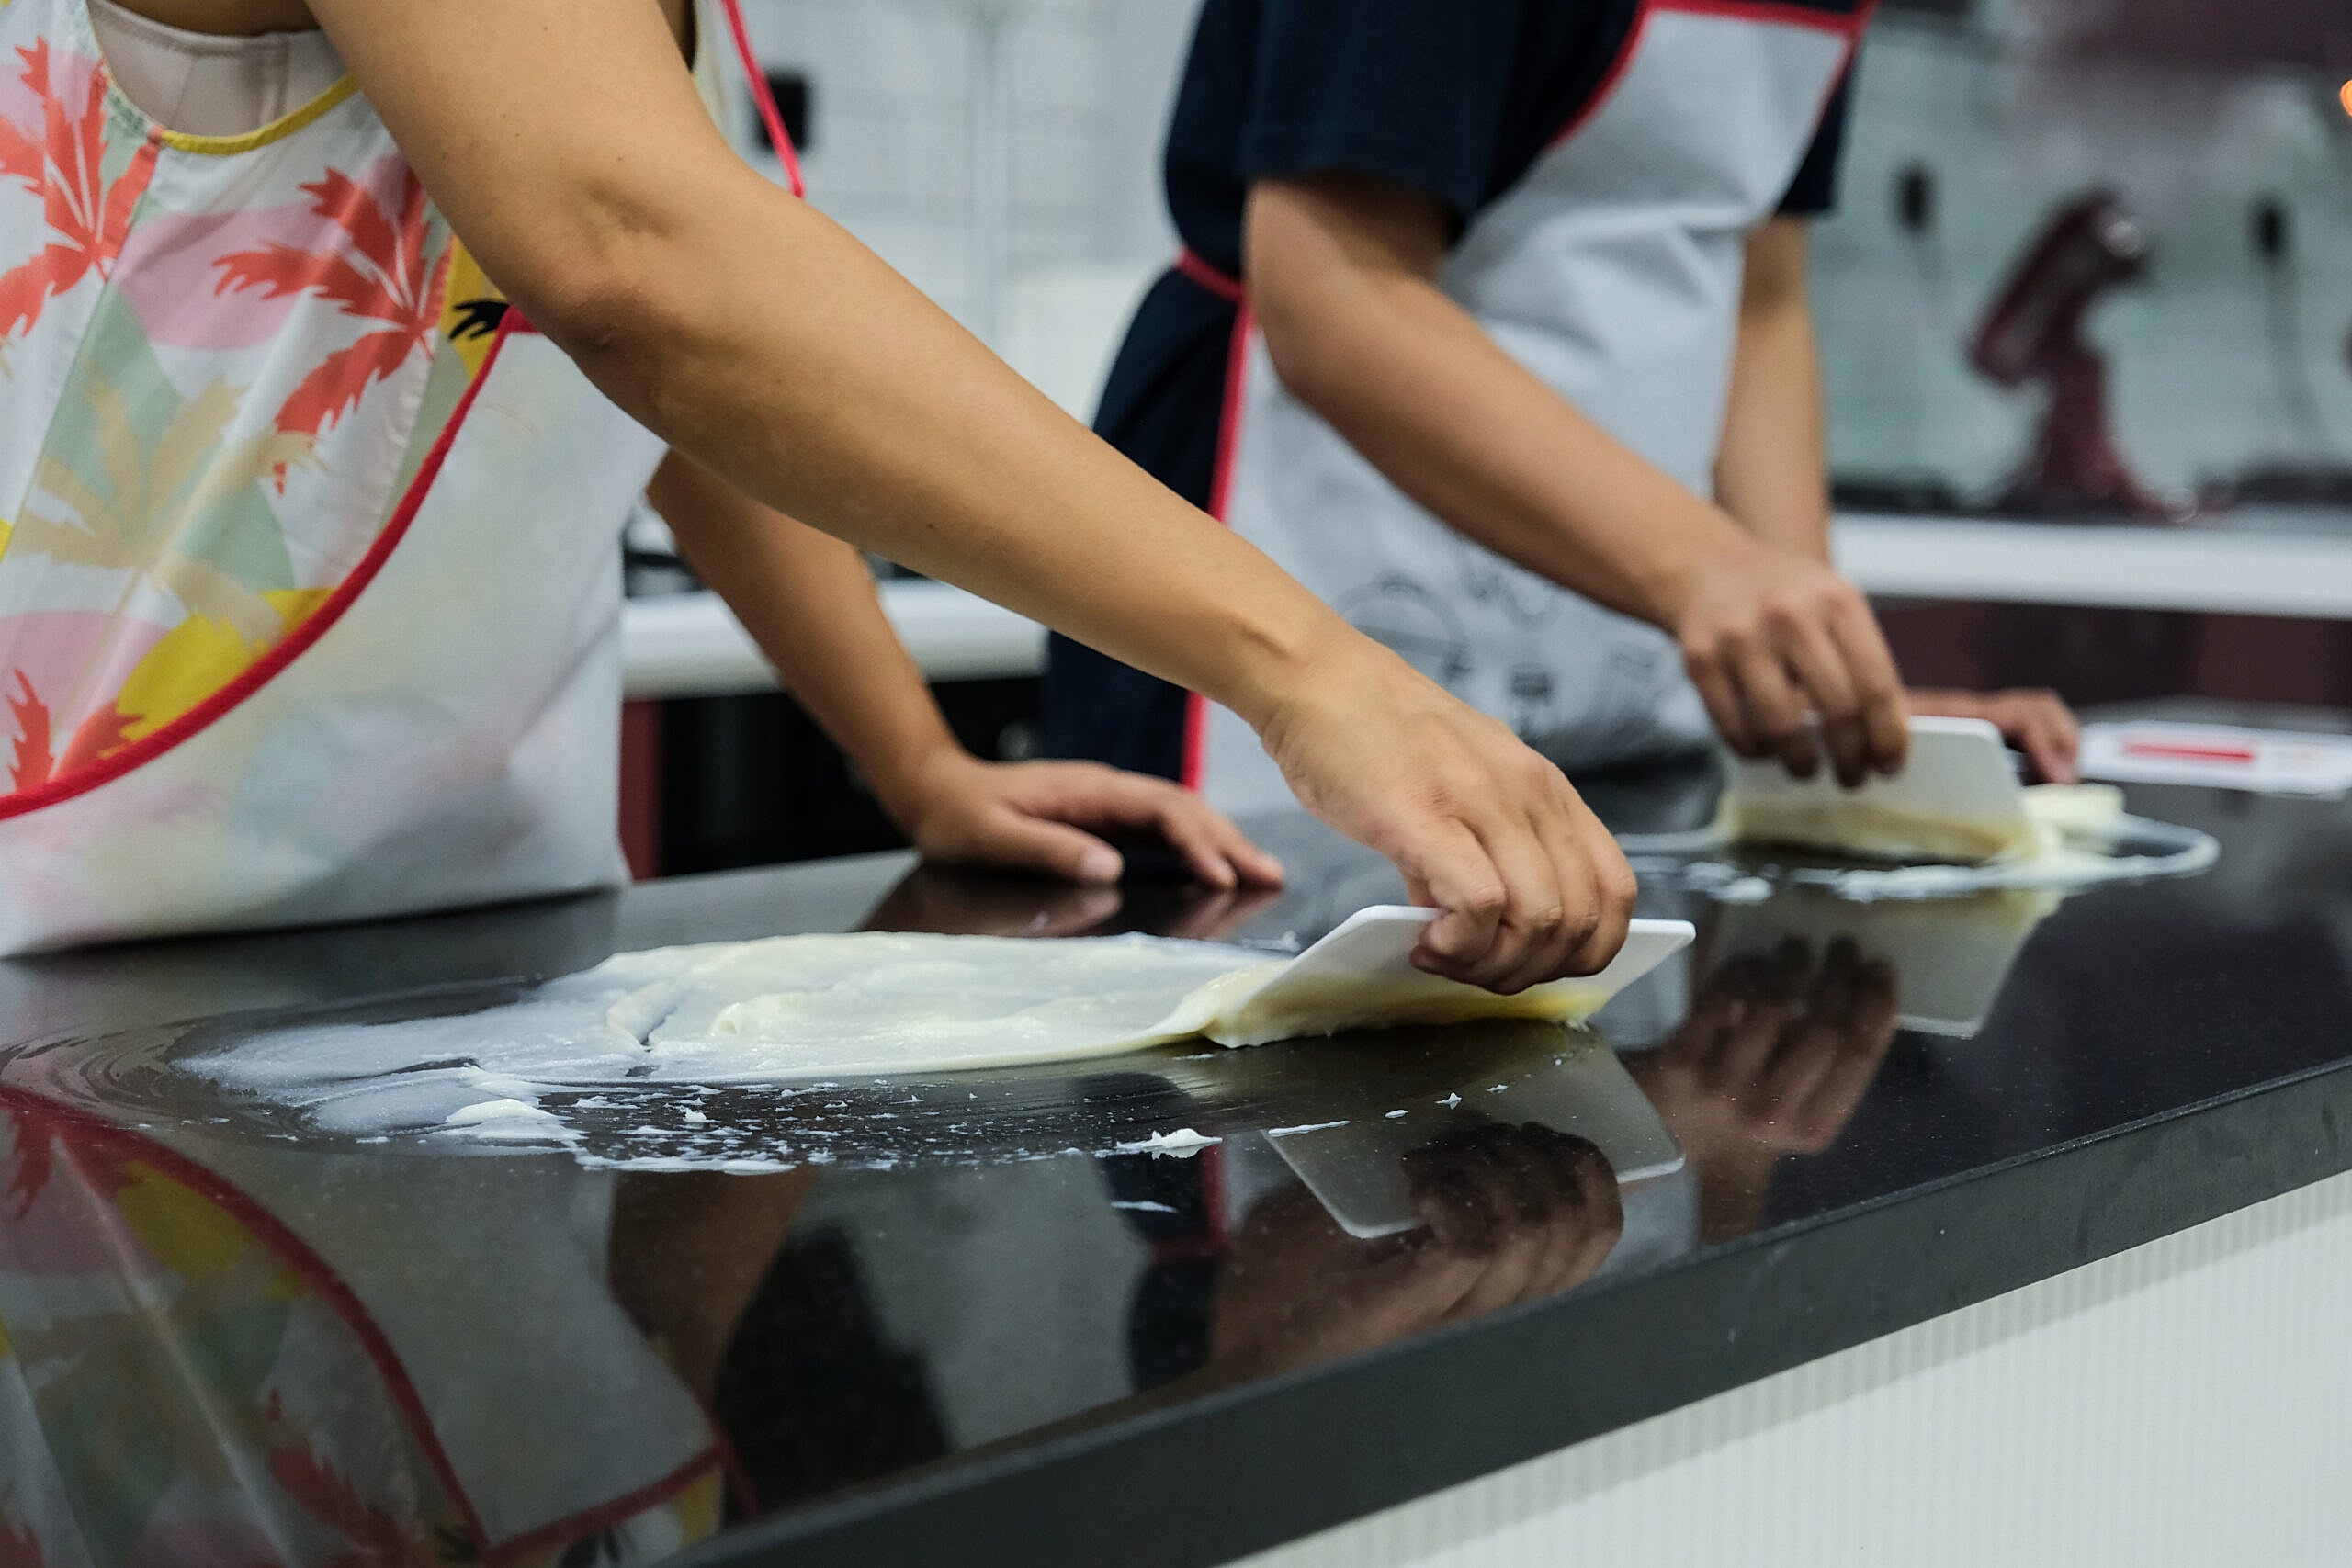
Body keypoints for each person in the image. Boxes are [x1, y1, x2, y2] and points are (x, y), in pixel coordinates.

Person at [0, 0, 1634, 991]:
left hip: (457, 934)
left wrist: (915, 761)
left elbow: (655, 375)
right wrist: (1313, 668)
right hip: (78, 974)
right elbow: (639, 268)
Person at [1044, 0, 2082, 815]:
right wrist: (1700, 565)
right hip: (1294, 542)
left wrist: (1821, 676)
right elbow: (1335, 291)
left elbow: (1758, 298)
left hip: (1614, 656)